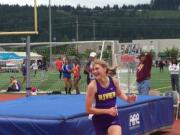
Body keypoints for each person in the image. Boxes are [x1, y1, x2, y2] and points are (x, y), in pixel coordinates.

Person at [85, 59, 136, 135]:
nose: (94, 71)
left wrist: (128, 99)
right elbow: (88, 109)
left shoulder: (114, 81)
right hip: (99, 121)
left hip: (113, 118)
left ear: (105, 69)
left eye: (97, 68)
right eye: (93, 70)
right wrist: (107, 111)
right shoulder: (92, 86)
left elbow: (119, 93)